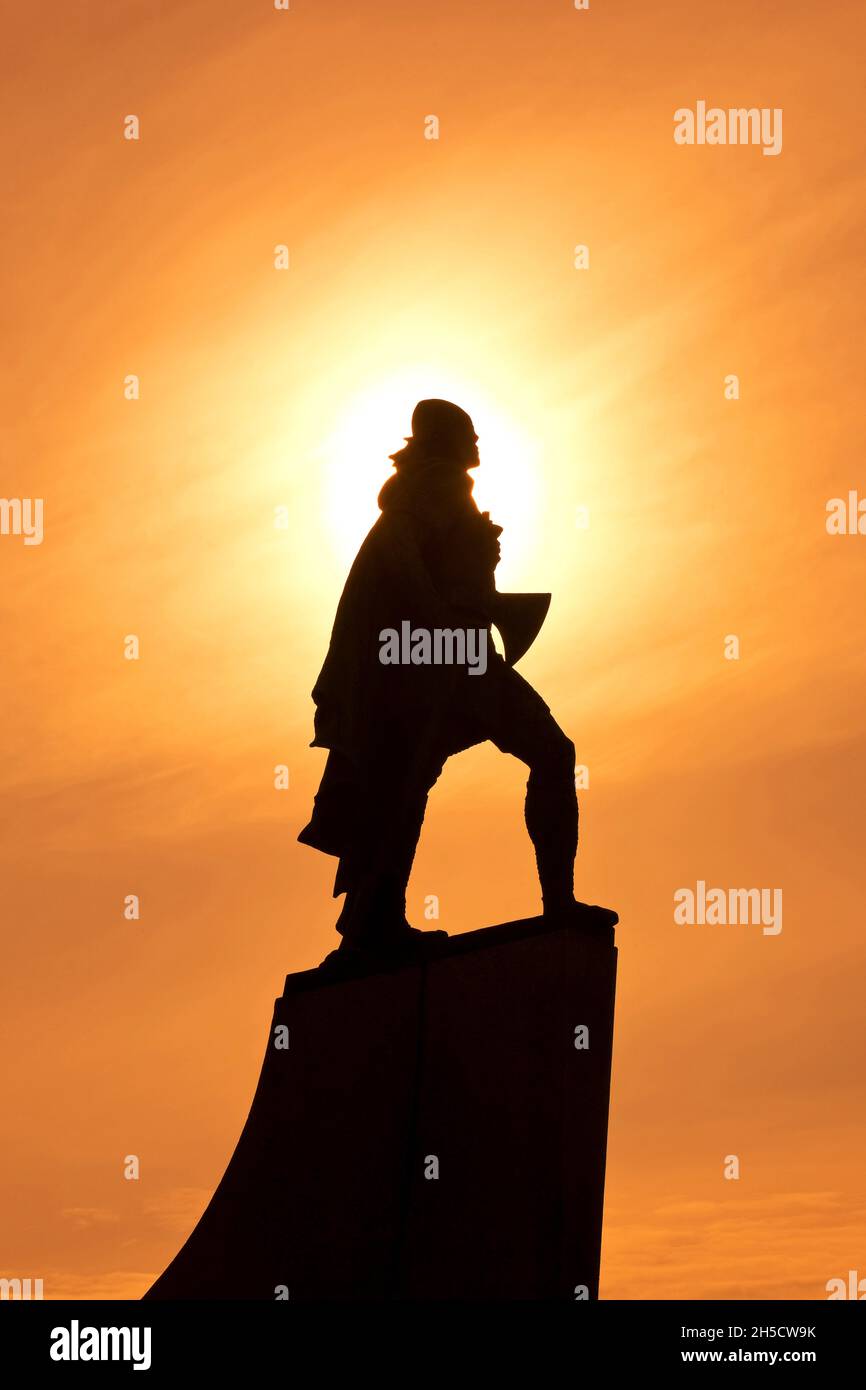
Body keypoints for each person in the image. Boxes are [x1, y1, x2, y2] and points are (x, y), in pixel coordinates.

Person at [298, 398, 595, 956]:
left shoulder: (429, 488)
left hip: (441, 653)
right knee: (541, 755)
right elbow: (399, 551)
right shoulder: (440, 484)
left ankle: (372, 923)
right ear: (447, 440)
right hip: (447, 654)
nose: (478, 443)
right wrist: (435, 612)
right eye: (469, 433)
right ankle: (555, 903)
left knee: (401, 785)